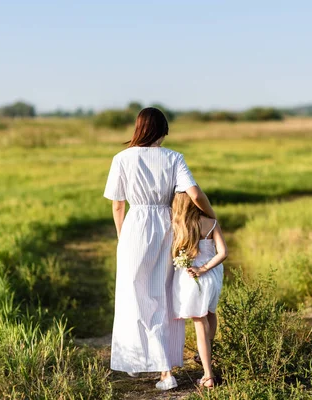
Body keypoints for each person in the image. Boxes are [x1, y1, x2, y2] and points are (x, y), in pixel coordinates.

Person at [104, 107, 216, 390]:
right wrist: (211, 215)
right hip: (168, 227)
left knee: (134, 295)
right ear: (162, 130)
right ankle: (165, 370)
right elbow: (194, 193)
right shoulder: (174, 157)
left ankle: (137, 360)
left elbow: (118, 204)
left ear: (138, 129)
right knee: (165, 297)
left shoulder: (121, 159)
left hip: (135, 227)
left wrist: (122, 237)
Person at [171, 192, 228, 389]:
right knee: (211, 314)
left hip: (194, 278)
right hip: (213, 277)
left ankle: (208, 376)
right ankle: (206, 355)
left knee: (199, 321)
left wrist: (198, 269)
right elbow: (223, 253)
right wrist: (205, 269)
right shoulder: (211, 222)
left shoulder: (179, 226)